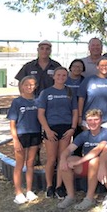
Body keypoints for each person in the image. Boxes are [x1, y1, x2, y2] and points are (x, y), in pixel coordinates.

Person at [56, 109, 107, 210]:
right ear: (86, 121)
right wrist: (63, 159)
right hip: (87, 165)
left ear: (101, 120)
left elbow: (97, 151)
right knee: (66, 161)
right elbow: (68, 149)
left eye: (96, 119)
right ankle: (70, 196)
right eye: (90, 120)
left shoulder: (106, 133)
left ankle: (89, 198)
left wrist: (78, 162)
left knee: (94, 161)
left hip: (102, 167)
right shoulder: (84, 134)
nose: (93, 123)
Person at [37, 67, 79, 199]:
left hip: (66, 129)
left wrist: (72, 128)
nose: (61, 77)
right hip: (51, 129)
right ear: (54, 76)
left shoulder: (70, 91)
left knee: (62, 158)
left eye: (64, 75)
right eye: (59, 75)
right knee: (51, 158)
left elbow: (75, 112)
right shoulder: (46, 93)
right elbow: (41, 114)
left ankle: (59, 187)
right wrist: (47, 130)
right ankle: (49, 186)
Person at [8, 76, 41, 204]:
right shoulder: (17, 102)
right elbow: (12, 123)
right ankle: (18, 192)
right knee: (19, 164)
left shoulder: (37, 101)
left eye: (32, 85)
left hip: (35, 134)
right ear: (22, 86)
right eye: (27, 85)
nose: (30, 87)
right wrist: (15, 140)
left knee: (30, 163)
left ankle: (28, 190)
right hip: (22, 135)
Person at [78, 58, 107, 129]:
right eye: (102, 65)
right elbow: (81, 98)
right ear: (97, 67)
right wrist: (79, 116)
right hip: (89, 119)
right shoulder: (88, 80)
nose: (104, 67)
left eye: (106, 65)